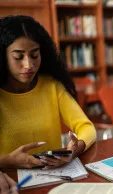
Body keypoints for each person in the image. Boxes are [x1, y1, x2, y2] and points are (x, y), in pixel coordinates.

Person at [0, 15, 96, 169]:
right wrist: (8, 160)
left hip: (53, 177)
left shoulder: (51, 86)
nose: (28, 65)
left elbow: (86, 127)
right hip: (10, 183)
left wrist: (75, 148)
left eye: (34, 55)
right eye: (18, 57)